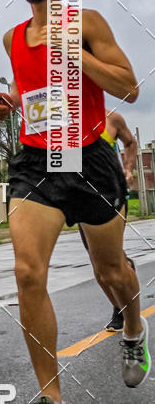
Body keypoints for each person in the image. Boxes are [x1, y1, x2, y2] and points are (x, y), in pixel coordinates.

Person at [0, 0, 150, 404]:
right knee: (26, 271)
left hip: (88, 160)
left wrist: (74, 55)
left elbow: (129, 87)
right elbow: (31, 93)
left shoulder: (88, 23)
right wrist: (8, 104)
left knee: (111, 271)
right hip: (36, 162)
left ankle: (133, 329)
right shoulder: (12, 38)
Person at [78, 111, 137, 331]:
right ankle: (119, 304)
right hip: (82, 198)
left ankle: (125, 313)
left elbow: (130, 143)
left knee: (109, 260)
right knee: (98, 264)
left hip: (112, 194)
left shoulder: (111, 118)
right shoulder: (66, 124)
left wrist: (127, 170)